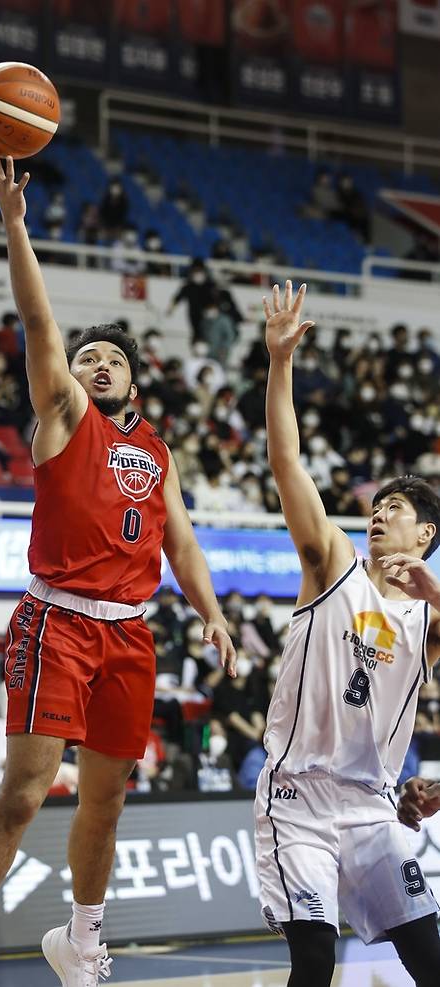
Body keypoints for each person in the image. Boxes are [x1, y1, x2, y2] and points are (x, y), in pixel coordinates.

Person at [0, 153, 236, 987]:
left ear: (135, 379)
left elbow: (184, 545)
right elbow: (38, 327)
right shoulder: (63, 416)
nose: (96, 364)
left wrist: (208, 610)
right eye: (88, 355)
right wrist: (16, 224)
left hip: (130, 635)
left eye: (113, 359)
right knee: (25, 792)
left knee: (107, 801)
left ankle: (82, 941)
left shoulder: (158, 451)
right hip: (55, 619)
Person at [255, 280, 440, 987]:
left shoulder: (427, 614)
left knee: (429, 958)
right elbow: (287, 465)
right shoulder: (334, 564)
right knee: (313, 960)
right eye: (375, 505)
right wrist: (280, 364)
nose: (377, 513)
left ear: (424, 533)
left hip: (372, 807)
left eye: (393, 508)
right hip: (297, 796)